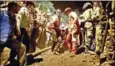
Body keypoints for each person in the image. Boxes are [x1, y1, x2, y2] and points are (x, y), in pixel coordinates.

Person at [0, 2, 26, 66]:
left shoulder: (14, 17)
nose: (20, 9)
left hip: (8, 39)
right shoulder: (2, 13)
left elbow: (11, 28)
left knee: (22, 47)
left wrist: (13, 34)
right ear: (13, 6)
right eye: (18, 7)